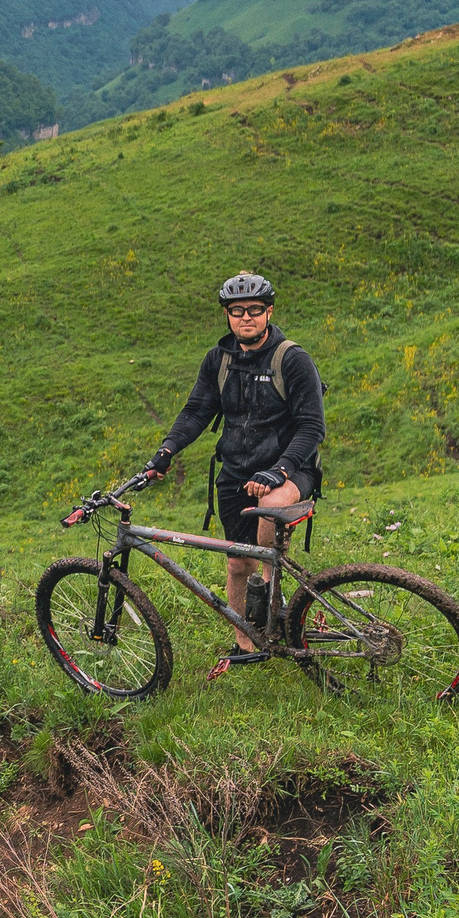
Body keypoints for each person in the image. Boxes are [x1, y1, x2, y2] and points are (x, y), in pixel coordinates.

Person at [141, 272, 324, 671]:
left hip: (290, 470)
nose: (246, 318)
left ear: (268, 312)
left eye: (255, 311)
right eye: (237, 311)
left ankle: (279, 607)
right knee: (238, 562)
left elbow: (312, 426)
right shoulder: (218, 360)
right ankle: (247, 643)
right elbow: (196, 412)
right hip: (236, 473)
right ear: (227, 315)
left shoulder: (292, 359)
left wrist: (281, 470)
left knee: (266, 520)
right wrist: (167, 451)